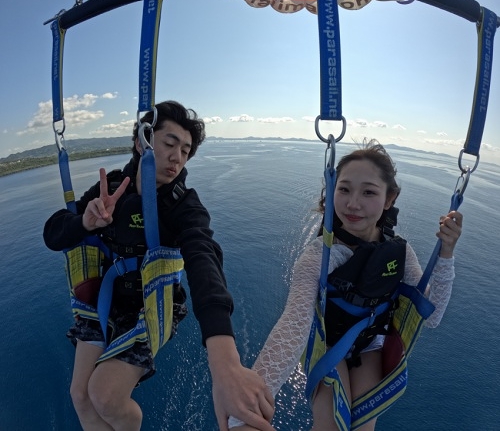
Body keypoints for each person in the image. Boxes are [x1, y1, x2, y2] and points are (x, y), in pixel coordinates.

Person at [43, 100, 274, 431]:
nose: (177, 157)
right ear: (142, 143)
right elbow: (53, 234)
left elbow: (204, 259)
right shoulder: (112, 188)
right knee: (80, 394)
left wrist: (224, 358)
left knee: (105, 395)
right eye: (169, 143)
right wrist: (84, 222)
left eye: (185, 151)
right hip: (104, 303)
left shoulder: (182, 205)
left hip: (152, 306)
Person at [229, 139, 463, 430]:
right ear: (332, 192)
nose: (353, 203)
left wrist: (446, 254)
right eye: (344, 190)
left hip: (369, 345)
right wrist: (250, 405)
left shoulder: (400, 253)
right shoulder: (320, 255)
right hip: (326, 344)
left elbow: (432, 316)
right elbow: (294, 323)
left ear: (389, 199)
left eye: (368, 192)